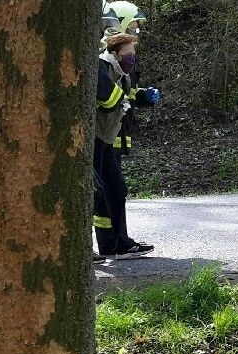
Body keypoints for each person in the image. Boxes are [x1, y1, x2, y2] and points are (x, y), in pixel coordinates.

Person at [94, 33, 154, 258]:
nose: (132, 58)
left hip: (107, 139)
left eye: (133, 54)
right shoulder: (102, 67)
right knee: (97, 194)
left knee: (117, 189)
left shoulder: (123, 74)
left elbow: (126, 96)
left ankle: (120, 243)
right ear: (116, 52)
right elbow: (109, 100)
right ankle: (106, 244)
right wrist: (123, 98)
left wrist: (144, 97)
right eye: (129, 53)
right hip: (95, 140)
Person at [106, 1, 161, 156]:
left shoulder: (128, 59)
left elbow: (128, 93)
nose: (136, 33)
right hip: (106, 135)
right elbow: (109, 96)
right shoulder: (108, 61)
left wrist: (145, 96)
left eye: (137, 29)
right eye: (132, 28)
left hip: (119, 133)